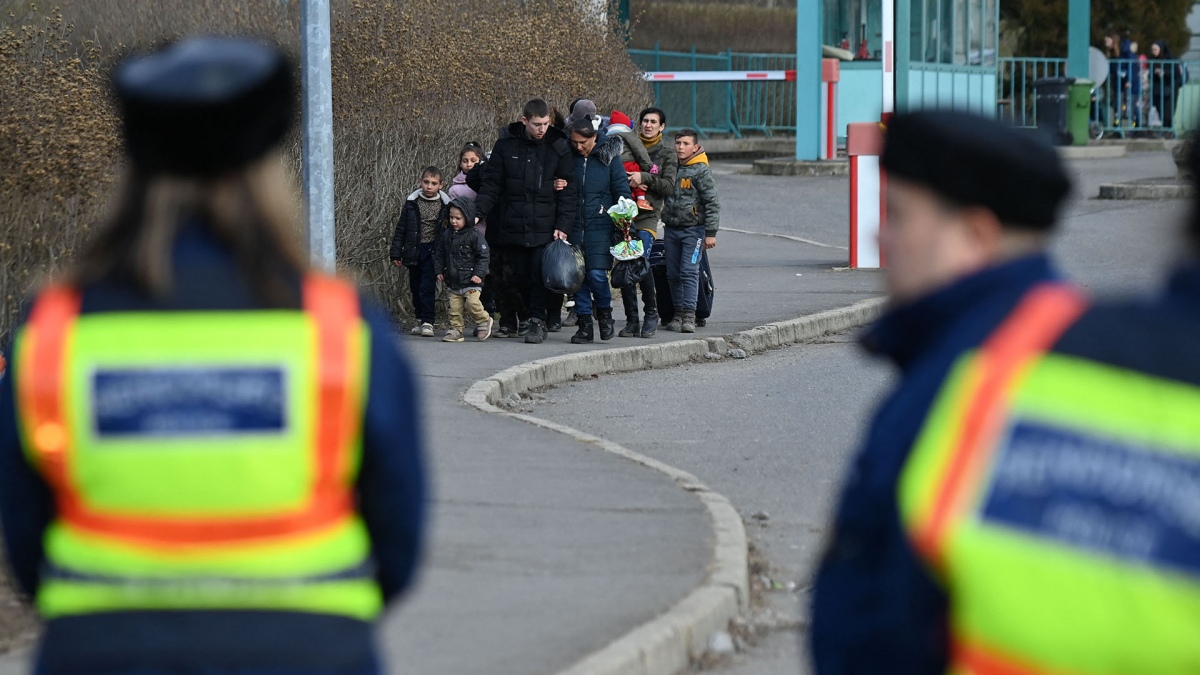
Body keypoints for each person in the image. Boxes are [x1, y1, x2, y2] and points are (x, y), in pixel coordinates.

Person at [0, 37, 426, 675]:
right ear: (267, 163)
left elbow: (25, 537)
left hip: (102, 654)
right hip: (308, 653)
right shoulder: (339, 325)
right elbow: (397, 538)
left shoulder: (53, 329)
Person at [808, 110, 1072, 673]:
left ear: (975, 237)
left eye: (899, 215)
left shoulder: (976, 377)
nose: (882, 234)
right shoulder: (1017, 347)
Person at [473, 98, 577, 344]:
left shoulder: (557, 146)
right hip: (513, 224)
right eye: (536, 124)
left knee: (539, 276)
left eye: (545, 124)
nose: (542, 129)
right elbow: (492, 184)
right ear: (524, 121)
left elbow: (569, 191)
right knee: (516, 276)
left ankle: (537, 321)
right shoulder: (506, 145)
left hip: (545, 225)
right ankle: (525, 317)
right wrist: (477, 212)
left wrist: (563, 225)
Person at [565, 116, 632, 344]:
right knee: (578, 278)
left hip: (601, 226)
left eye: (583, 142)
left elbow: (622, 190)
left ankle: (604, 313)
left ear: (594, 138)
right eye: (574, 142)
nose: (579, 147)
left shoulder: (609, 158)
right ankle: (584, 324)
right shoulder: (569, 158)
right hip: (573, 225)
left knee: (596, 274)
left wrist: (624, 221)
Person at [619, 106, 677, 338]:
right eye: (645, 121)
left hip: (648, 217)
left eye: (654, 122)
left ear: (662, 126)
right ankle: (632, 320)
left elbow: (668, 186)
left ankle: (651, 314)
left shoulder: (666, 153)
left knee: (641, 262)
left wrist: (643, 178)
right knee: (625, 265)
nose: (648, 125)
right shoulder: (625, 143)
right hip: (624, 216)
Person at [661, 128, 719, 334]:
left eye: (686, 144)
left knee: (689, 272)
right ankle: (677, 313)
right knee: (673, 273)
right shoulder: (671, 167)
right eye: (678, 143)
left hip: (693, 231)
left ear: (695, 147)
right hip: (671, 229)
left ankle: (689, 314)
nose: (681, 147)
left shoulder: (700, 170)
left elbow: (712, 202)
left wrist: (710, 233)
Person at [390, 166, 450, 336]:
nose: (429, 186)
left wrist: (446, 256)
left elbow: (448, 232)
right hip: (414, 250)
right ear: (420, 182)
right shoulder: (411, 204)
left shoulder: (445, 205)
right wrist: (396, 252)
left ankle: (428, 321)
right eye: (426, 182)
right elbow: (401, 229)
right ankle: (419, 318)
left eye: (433, 183)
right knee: (415, 286)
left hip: (433, 251)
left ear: (441, 185)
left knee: (427, 286)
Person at [435, 198, 492, 342]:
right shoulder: (447, 235)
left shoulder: (474, 235)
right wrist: (439, 270)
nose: (454, 221)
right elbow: (440, 254)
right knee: (454, 309)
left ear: (468, 217)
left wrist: (479, 274)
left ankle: (484, 321)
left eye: (458, 218)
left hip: (472, 279)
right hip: (453, 280)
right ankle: (456, 330)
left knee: (472, 304)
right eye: (451, 217)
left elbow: (483, 256)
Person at [605, 110, 656, 213]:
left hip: (612, 166)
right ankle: (641, 200)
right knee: (637, 173)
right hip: (628, 164)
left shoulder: (606, 137)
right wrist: (649, 166)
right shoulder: (628, 135)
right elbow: (639, 150)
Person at [448, 142, 486, 234]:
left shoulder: (487, 184)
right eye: (465, 161)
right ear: (460, 164)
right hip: (464, 234)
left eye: (473, 161)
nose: (469, 164)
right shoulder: (455, 189)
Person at [1150, 41, 1185, 130]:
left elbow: (1176, 73)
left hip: (1170, 89)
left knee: (1168, 112)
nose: (1153, 51)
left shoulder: (1170, 59)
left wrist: (1164, 72)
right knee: (1160, 111)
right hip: (1158, 90)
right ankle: (1165, 130)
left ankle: (1169, 130)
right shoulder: (1154, 60)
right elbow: (1150, 75)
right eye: (1152, 49)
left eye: (1155, 49)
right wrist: (1154, 73)